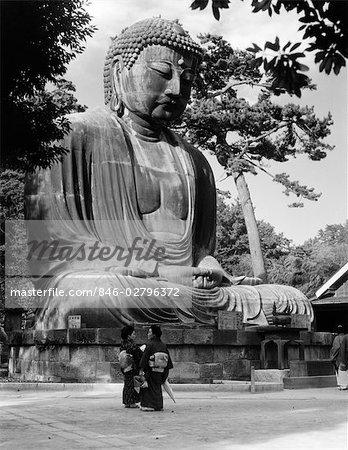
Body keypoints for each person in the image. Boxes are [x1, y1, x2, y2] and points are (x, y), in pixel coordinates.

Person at [25, 17, 313, 330]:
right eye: (163, 73)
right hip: (116, 286)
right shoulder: (71, 134)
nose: (176, 89)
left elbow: (200, 250)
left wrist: (207, 264)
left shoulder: (195, 160)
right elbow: (49, 253)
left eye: (187, 79)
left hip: (182, 291)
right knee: (88, 294)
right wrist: (150, 270)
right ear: (120, 72)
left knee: (292, 300)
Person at [139, 325, 173, 411]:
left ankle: (148, 405)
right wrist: (165, 372)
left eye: (149, 332)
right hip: (161, 370)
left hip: (150, 371)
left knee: (148, 388)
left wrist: (141, 369)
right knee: (157, 388)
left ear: (154, 335)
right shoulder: (163, 345)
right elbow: (167, 361)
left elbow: (144, 359)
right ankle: (158, 405)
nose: (148, 334)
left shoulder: (149, 345)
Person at [120, 325, 143, 407]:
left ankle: (127, 402)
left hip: (125, 366)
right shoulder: (131, 345)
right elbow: (138, 353)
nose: (135, 335)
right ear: (129, 335)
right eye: (133, 334)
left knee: (127, 383)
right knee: (131, 384)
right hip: (132, 366)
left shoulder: (123, 343)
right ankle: (131, 402)